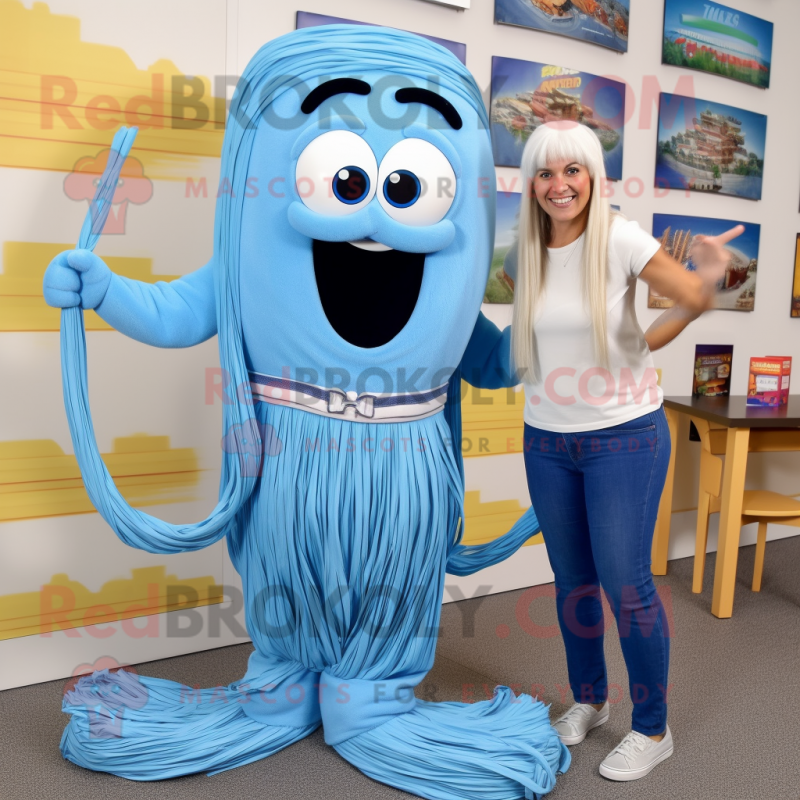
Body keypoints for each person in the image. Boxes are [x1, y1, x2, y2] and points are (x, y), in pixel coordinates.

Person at [461, 120, 743, 782]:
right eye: (545, 173)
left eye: (572, 171)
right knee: (573, 584)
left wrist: (707, 277)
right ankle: (589, 698)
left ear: (593, 176)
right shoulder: (520, 255)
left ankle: (652, 728)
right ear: (530, 181)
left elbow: (688, 302)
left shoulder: (618, 238)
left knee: (627, 585)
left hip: (624, 436)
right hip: (547, 437)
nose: (559, 185)